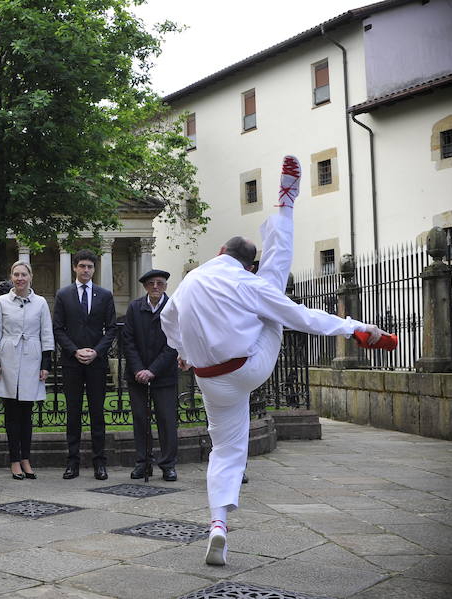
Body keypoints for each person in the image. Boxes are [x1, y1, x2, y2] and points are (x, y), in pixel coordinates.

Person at [161, 156, 388, 566]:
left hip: (208, 379)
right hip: (250, 367)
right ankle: (286, 203)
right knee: (276, 299)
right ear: (248, 263)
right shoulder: (251, 282)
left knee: (225, 450)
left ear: (218, 252)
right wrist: (355, 327)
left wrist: (181, 352)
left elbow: (167, 318)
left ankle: (217, 524)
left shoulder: (189, 280)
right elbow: (304, 317)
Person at [53, 249, 117, 480]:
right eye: (82, 266)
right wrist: (75, 350)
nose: (86, 270)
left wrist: (97, 352)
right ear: (75, 267)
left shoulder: (104, 295)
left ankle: (100, 462)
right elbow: (58, 328)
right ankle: (72, 462)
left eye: (90, 267)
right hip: (72, 363)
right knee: (73, 414)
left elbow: (111, 329)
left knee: (97, 414)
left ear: (94, 269)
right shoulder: (63, 294)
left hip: (96, 364)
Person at [0, 261, 54, 480]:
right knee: (11, 412)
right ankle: (14, 459)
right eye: (16, 274)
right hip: (8, 358)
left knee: (27, 413)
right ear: (11, 276)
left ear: (31, 276)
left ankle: (26, 458)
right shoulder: (2, 301)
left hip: (32, 359)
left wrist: (46, 364)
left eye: (23, 274)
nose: (20, 278)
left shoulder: (41, 302)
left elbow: (47, 333)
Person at [121, 269, 180, 482]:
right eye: (152, 283)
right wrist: (139, 369)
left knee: (166, 420)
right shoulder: (135, 307)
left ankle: (168, 464)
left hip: (163, 376)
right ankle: (142, 462)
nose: (156, 286)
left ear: (165, 286)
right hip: (137, 375)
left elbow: (173, 344)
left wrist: (152, 370)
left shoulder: (173, 308)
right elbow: (128, 340)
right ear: (145, 286)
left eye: (160, 283)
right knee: (140, 420)